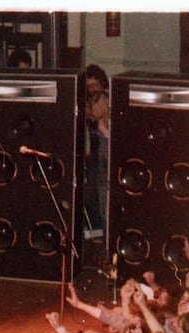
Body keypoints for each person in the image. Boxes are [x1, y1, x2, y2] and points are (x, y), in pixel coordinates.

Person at [84, 63, 110, 235]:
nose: (91, 89)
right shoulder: (92, 100)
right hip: (97, 157)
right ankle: (97, 234)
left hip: (106, 159)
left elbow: (95, 114)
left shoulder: (105, 99)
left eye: (94, 85)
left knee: (103, 204)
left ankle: (105, 238)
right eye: (88, 86)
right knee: (93, 199)